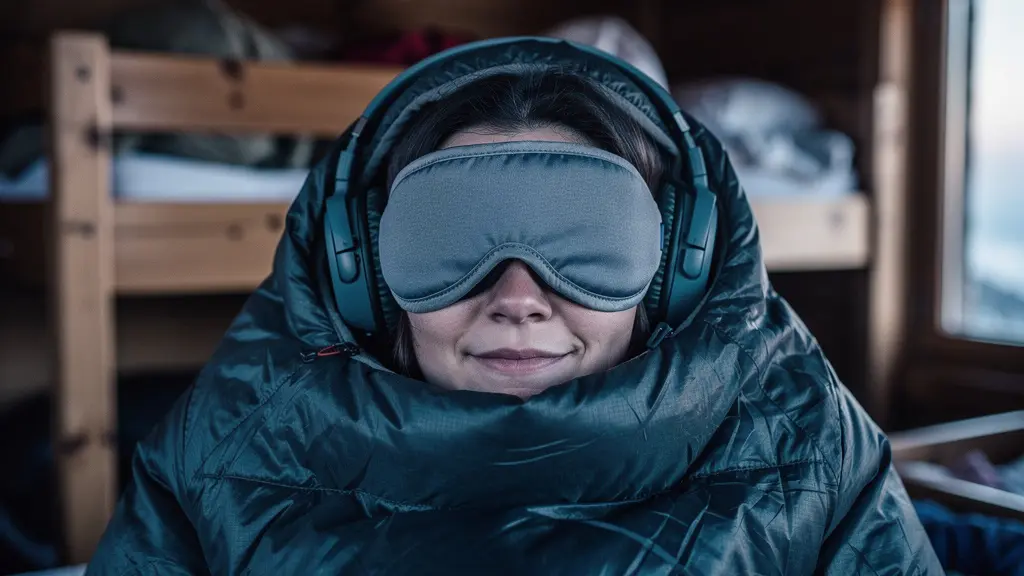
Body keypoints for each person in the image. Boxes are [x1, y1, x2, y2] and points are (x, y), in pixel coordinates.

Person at [84, 38, 943, 574]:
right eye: (450, 240)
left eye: (585, 244)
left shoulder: (810, 444)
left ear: (676, 265)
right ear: (363, 269)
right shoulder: (220, 449)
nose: (519, 300)